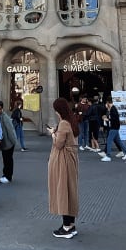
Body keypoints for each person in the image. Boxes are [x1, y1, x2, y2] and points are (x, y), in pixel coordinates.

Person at [47, 97, 79, 238]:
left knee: (63, 190)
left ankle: (66, 227)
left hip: (63, 160)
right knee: (69, 190)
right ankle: (70, 224)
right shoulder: (70, 121)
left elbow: (59, 144)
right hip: (70, 159)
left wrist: (53, 134)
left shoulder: (64, 123)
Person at [100, 98, 126, 162]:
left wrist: (108, 120)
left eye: (106, 103)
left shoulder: (113, 109)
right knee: (119, 141)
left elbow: (114, 119)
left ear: (108, 103)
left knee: (109, 141)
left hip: (113, 128)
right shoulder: (112, 109)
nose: (106, 105)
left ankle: (108, 156)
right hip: (115, 128)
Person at [0, 102, 17, 183]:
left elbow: (10, 130)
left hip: (9, 142)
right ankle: (6, 175)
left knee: (8, 160)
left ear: (2, 109)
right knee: (5, 159)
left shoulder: (5, 117)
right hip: (4, 143)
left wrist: (14, 142)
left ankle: (8, 177)